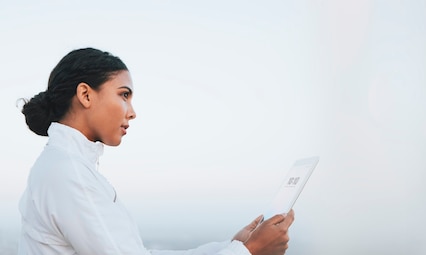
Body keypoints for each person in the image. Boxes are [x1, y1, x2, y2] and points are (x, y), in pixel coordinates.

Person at [18, 47, 295, 255]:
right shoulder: (69, 173)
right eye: (123, 95)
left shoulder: (66, 165)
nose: (132, 112)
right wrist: (250, 251)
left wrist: (232, 246)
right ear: (86, 95)